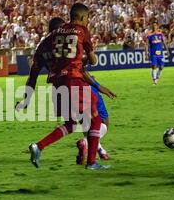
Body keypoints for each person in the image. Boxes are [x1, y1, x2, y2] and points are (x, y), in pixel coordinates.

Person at [16, 17, 115, 165]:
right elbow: (79, 69)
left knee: (72, 124)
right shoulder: (69, 39)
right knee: (100, 119)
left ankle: (39, 146)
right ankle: (92, 157)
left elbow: (32, 77)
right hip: (78, 84)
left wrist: (26, 100)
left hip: (58, 87)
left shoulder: (41, 47)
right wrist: (99, 86)